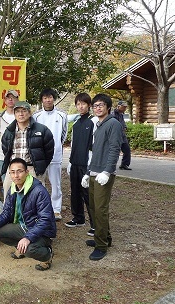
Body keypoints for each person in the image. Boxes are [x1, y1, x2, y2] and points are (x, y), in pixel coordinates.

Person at [0, 158, 56, 271]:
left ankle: (47, 255)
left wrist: (28, 238)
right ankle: (20, 246)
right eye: (12, 172)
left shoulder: (39, 191)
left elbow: (45, 220)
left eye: (19, 171)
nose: (16, 175)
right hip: (23, 227)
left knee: (30, 249)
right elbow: (7, 212)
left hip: (42, 232)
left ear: (27, 172)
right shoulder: (13, 188)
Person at [81, 93, 122, 261]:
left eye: (101, 105)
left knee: (100, 210)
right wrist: (87, 172)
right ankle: (106, 237)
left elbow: (114, 149)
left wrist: (107, 171)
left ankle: (101, 246)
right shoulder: (98, 124)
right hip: (94, 172)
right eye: (95, 106)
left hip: (104, 174)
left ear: (108, 108)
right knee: (93, 207)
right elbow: (95, 153)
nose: (97, 108)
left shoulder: (113, 123)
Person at [1, 101, 54, 201]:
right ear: (14, 114)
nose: (21, 114)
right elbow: (5, 149)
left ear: (29, 113)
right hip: (13, 170)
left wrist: (40, 166)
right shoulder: (9, 131)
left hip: (32, 169)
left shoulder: (42, 130)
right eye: (17, 111)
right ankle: (11, 217)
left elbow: (49, 151)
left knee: (35, 200)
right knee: (9, 198)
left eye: (24, 111)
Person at [33, 88, 68, 221]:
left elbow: (63, 134)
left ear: (54, 98)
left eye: (50, 97)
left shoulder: (62, 115)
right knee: (39, 182)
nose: (48, 100)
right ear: (42, 100)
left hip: (56, 154)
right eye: (45, 97)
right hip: (40, 155)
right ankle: (40, 208)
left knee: (56, 182)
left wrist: (57, 145)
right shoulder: (36, 116)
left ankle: (56, 209)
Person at [65, 93, 95, 236]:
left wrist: (91, 165)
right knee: (75, 192)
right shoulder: (76, 123)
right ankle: (78, 218)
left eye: (83, 103)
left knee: (88, 194)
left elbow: (94, 146)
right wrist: (70, 162)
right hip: (75, 162)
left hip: (86, 163)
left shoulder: (93, 121)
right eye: (78, 104)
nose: (80, 106)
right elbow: (73, 143)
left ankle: (95, 224)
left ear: (89, 105)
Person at [0, 89, 17, 182]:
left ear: (17, 99)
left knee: (19, 182)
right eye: (8, 98)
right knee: (5, 182)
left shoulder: (21, 115)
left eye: (13, 98)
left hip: (18, 155)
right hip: (2, 155)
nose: (10, 100)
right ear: (4, 100)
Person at [112, 100, 132, 170]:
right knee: (114, 151)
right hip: (116, 136)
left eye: (125, 107)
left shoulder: (121, 114)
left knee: (127, 150)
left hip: (122, 135)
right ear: (118, 106)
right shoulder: (113, 114)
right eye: (123, 107)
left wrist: (125, 127)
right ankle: (110, 165)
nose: (125, 108)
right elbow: (114, 125)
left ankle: (124, 164)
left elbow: (122, 123)